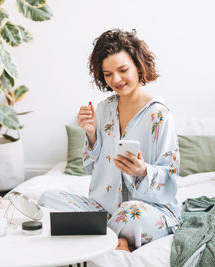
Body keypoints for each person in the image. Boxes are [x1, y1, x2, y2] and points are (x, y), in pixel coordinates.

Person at [39, 29, 181, 252]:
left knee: (132, 213)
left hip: (149, 208)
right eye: (107, 74)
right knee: (48, 198)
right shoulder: (104, 109)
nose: (116, 79)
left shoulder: (160, 115)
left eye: (123, 70)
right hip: (103, 208)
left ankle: (101, 237)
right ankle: (116, 240)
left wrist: (143, 171)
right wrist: (91, 133)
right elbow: (89, 165)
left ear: (138, 65)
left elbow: (170, 180)